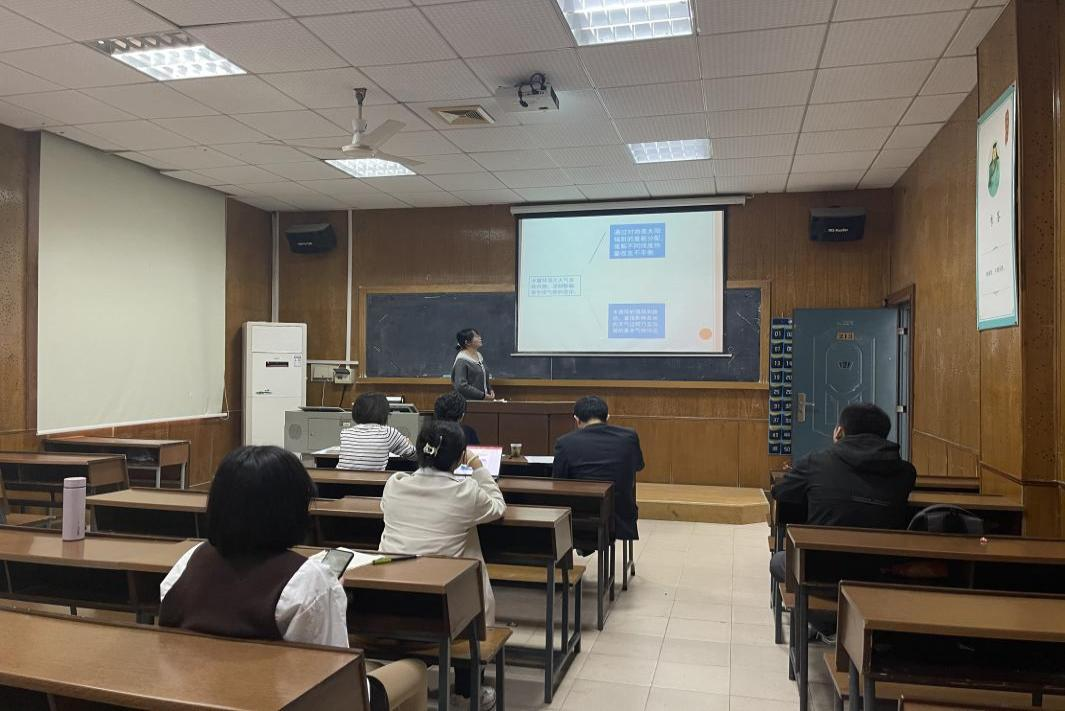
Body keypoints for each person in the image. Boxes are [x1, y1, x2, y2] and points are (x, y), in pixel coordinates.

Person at [159, 445, 347, 645]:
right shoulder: (310, 581)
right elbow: (334, 659)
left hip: (189, 665)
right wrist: (331, 592)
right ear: (292, 509)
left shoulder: (188, 562)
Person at [379, 420, 505, 711]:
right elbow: (498, 506)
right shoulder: (465, 492)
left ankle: (406, 676)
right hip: (444, 607)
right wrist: (477, 466)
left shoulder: (394, 484)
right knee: (469, 569)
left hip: (389, 599)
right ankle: (467, 691)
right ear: (460, 457)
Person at [769, 402, 917, 583]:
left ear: (839, 432)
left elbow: (780, 492)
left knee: (777, 561)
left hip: (819, 570)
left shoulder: (816, 463)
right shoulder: (906, 473)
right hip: (879, 573)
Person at [553, 395, 645, 543]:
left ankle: (581, 547)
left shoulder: (564, 442)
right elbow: (639, 466)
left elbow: (558, 480)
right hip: (620, 516)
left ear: (576, 420)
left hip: (580, 518)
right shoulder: (629, 437)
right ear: (607, 417)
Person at [338, 391, 415, 471]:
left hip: (340, 477)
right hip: (373, 478)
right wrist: (408, 443)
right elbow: (412, 454)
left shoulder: (346, 432)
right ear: (384, 412)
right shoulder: (388, 432)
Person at [451, 328, 494, 401]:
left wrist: (490, 390)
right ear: (467, 342)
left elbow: (483, 377)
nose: (480, 338)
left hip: (482, 401)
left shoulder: (479, 356)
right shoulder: (461, 360)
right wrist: (483, 396)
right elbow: (461, 386)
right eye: (476, 336)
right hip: (468, 403)